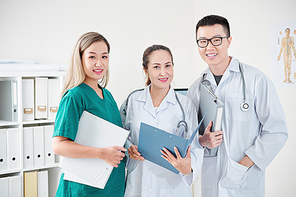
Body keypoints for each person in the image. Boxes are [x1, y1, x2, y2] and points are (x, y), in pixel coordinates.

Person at [187, 15, 288, 197]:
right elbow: (190, 138)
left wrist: (242, 166)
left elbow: (277, 131)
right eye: (203, 41)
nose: (209, 47)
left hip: (245, 181)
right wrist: (203, 141)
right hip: (211, 181)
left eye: (216, 40)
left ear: (229, 41)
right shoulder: (195, 88)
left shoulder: (255, 80)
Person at [121, 44, 204, 197]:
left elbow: (196, 146)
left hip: (172, 187)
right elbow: (121, 136)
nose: (163, 72)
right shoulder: (132, 101)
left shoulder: (186, 105)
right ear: (146, 70)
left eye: (168, 66)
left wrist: (188, 168)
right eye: (156, 67)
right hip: (138, 184)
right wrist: (129, 149)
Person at [52, 32, 126, 197]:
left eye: (104, 57)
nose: (99, 63)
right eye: (92, 57)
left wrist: (129, 149)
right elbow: (58, 145)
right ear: (80, 59)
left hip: (111, 186)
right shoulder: (75, 96)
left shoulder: (107, 95)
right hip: (84, 188)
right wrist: (101, 153)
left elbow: (111, 139)